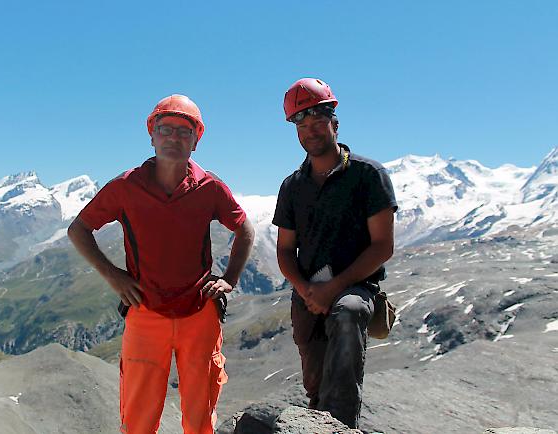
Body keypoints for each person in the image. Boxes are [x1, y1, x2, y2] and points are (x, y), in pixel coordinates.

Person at [67, 94, 255, 434]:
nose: (174, 138)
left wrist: (230, 278)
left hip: (199, 314)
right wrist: (114, 277)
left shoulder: (209, 187)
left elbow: (244, 229)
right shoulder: (125, 187)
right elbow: (79, 229)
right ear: (152, 135)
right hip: (145, 312)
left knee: (199, 420)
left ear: (196, 140)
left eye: (184, 132)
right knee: (139, 419)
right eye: (165, 129)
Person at [272, 78, 397, 429]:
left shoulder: (367, 175)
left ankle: (340, 425)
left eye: (318, 122)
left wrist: (334, 288)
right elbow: (285, 249)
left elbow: (382, 246)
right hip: (308, 291)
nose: (311, 130)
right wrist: (305, 289)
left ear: (334, 123)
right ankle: (318, 418)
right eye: (303, 124)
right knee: (315, 382)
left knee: (347, 311)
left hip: (355, 286)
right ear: (296, 131)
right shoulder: (293, 186)